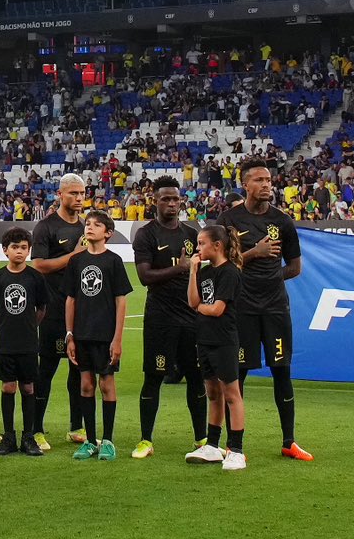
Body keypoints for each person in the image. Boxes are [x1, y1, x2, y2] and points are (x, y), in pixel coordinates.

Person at [222, 163, 313, 460]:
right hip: (243, 309)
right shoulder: (229, 220)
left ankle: (289, 442)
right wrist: (254, 253)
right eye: (259, 180)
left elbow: (295, 267)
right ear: (245, 185)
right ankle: (234, 444)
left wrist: (271, 278)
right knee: (239, 374)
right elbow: (220, 265)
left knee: (282, 371)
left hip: (275, 309)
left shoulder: (282, 221)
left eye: (269, 179)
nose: (266, 184)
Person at [131, 177, 206, 459]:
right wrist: (181, 268)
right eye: (166, 199)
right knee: (154, 377)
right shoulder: (146, 234)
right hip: (160, 319)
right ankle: (145, 440)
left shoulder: (191, 233)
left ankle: (202, 439)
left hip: (191, 318)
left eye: (175, 199)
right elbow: (145, 277)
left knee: (197, 379)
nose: (172, 203)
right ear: (155, 200)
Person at [30, 173, 90, 451]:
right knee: (47, 370)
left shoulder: (87, 226)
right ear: (60, 194)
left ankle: (76, 427)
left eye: (82, 193)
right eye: (73, 194)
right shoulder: (46, 227)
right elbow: (40, 265)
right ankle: (36, 429)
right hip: (53, 309)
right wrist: (74, 256)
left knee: (79, 370)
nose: (78, 198)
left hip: (83, 310)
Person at [65, 210, 130, 462]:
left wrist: (117, 338)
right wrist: (70, 334)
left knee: (106, 384)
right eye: (88, 224)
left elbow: (120, 301)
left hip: (105, 335)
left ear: (108, 233)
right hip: (81, 334)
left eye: (96, 225)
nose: (90, 228)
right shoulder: (76, 261)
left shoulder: (113, 261)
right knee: (86, 385)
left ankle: (109, 441)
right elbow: (70, 299)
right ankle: (90, 441)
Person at [186, 222, 247, 471]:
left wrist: (200, 308)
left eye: (202, 243)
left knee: (232, 394)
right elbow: (192, 301)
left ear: (217, 245)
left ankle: (236, 449)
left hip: (223, 340)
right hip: (205, 339)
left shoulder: (229, 272)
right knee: (212, 393)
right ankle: (212, 445)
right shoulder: (205, 272)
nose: (197, 248)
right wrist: (192, 272)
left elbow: (216, 308)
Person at [0, 226, 46, 457]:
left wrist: (31, 325)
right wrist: (2, 326)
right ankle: (8, 437)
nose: (19, 252)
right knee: (8, 386)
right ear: (5, 250)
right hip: (5, 342)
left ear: (29, 250)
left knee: (28, 387)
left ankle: (28, 437)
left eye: (23, 248)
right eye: (14, 247)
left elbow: (41, 308)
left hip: (29, 342)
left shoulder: (35, 277)